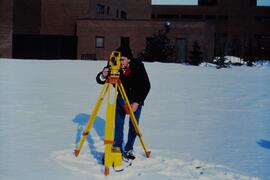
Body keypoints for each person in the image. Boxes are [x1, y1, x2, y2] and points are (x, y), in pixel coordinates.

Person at [96, 46, 151, 160]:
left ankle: (128, 148)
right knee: (119, 124)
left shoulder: (138, 65)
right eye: (119, 59)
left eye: (123, 59)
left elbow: (146, 86)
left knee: (134, 126)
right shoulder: (114, 64)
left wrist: (137, 102)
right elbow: (99, 79)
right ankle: (117, 147)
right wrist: (103, 74)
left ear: (129, 59)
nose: (120, 62)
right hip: (121, 98)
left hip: (136, 99)